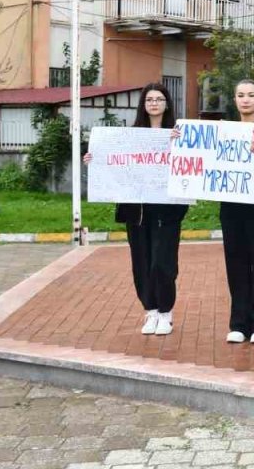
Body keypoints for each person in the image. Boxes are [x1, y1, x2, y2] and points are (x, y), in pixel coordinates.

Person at [85, 82, 188, 336]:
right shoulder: (130, 136)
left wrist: (179, 144)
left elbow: (192, 161)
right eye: (149, 99)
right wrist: (94, 159)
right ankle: (150, 311)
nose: (154, 103)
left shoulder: (179, 133)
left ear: (167, 104)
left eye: (159, 99)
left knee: (162, 262)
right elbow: (114, 162)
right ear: (143, 105)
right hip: (137, 211)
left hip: (167, 210)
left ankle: (166, 312)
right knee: (141, 262)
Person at [218, 79, 254, 344]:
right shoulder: (222, 132)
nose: (246, 99)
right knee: (236, 264)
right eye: (240, 95)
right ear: (234, 100)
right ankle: (239, 322)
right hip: (231, 207)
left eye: (251, 95)